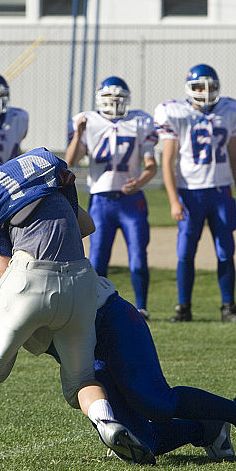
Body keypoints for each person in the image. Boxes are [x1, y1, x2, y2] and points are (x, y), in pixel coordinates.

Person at [0, 220, 236, 463]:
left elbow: (78, 225)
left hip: (105, 316)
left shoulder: (4, 238)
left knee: (155, 400)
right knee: (144, 443)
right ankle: (205, 427)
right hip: (78, 355)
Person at [0, 147, 153, 465]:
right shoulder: (38, 181)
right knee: (82, 378)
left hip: (29, 286)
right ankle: (107, 423)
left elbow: (4, 271)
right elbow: (86, 225)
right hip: (80, 283)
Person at [154, 63, 236, 323]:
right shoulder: (175, 112)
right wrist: (174, 199)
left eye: (210, 87)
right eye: (198, 87)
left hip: (220, 192)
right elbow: (169, 160)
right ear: (189, 88)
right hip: (190, 194)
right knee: (185, 252)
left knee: (226, 250)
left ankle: (228, 307)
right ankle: (183, 308)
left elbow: (235, 156)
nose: (205, 92)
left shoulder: (229, 111)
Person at [65, 76, 158, 319]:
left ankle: (142, 308)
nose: (114, 102)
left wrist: (139, 182)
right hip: (101, 200)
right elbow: (70, 162)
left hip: (131, 201)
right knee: (97, 259)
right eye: (109, 97)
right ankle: (97, 307)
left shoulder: (139, 121)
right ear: (99, 99)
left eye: (119, 98)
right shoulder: (88, 121)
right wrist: (79, 134)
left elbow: (151, 165)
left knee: (138, 257)